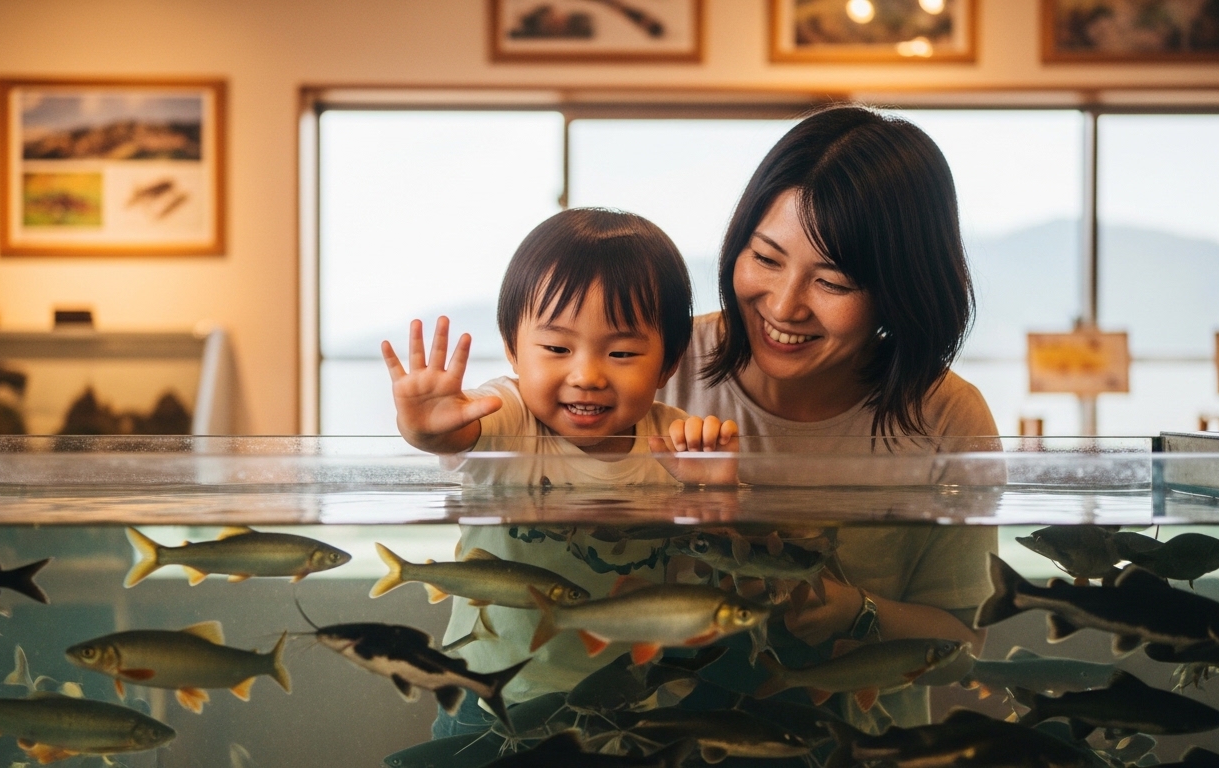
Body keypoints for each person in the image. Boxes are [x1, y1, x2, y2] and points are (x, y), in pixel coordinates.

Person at [656, 105, 999, 727]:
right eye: (764, 258)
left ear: (902, 288)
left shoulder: (947, 415)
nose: (784, 306)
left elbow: (961, 649)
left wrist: (859, 613)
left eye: (832, 283)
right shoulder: (661, 365)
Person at [381, 208, 740, 731]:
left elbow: (711, 569)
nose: (587, 375)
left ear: (668, 362)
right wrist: (425, 426)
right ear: (512, 349)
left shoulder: (678, 441)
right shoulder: (510, 416)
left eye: (621, 351)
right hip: (489, 696)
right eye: (555, 348)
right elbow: (455, 433)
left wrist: (718, 492)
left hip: (628, 706)